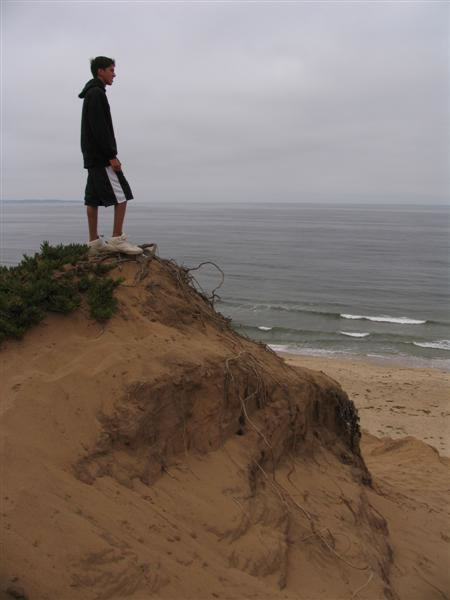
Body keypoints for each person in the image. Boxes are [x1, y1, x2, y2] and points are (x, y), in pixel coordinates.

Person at [79, 56, 142, 256]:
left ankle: (94, 242)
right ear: (100, 71)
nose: (114, 74)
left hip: (91, 156)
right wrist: (111, 156)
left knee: (92, 200)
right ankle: (117, 239)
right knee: (122, 194)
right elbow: (100, 128)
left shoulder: (92, 93)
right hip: (101, 157)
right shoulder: (96, 94)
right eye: (111, 70)